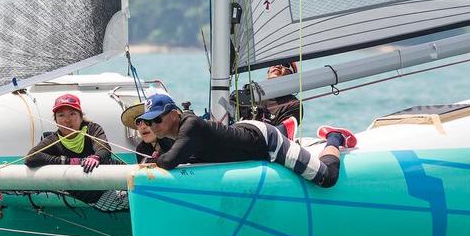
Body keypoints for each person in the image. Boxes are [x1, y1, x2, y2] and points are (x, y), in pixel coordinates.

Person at [138, 94, 354, 188]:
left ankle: (334, 136)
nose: (154, 125)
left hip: (268, 142)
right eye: (149, 121)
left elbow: (170, 161)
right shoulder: (179, 133)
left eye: (158, 119)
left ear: (175, 113)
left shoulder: (190, 125)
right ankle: (286, 131)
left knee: (327, 178)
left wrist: (156, 160)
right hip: (246, 133)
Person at [26, 93, 112, 204]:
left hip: (105, 186)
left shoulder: (92, 129)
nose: (67, 120)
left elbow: (104, 149)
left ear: (81, 117)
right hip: (81, 194)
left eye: (72, 114)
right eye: (61, 115)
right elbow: (31, 157)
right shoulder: (53, 139)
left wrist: (96, 157)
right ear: (56, 121)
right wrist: (69, 161)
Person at [237, 61, 301, 126]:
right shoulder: (250, 95)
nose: (277, 66)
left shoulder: (292, 104)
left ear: (292, 76)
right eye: (273, 63)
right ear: (268, 72)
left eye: (285, 64)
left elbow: (283, 133)